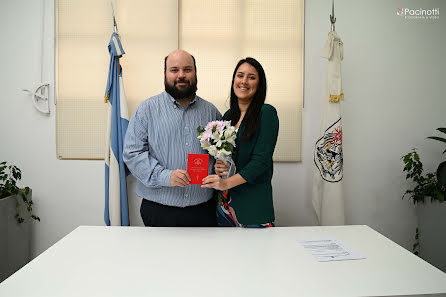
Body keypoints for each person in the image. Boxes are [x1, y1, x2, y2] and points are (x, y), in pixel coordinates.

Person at [123, 49, 222, 227]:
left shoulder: (211, 112)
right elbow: (132, 153)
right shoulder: (146, 110)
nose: (181, 75)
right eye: (174, 70)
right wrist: (164, 176)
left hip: (203, 210)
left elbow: (221, 154)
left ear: (196, 73)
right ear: (165, 74)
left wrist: (221, 167)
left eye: (187, 69)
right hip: (159, 210)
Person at [202, 57, 279, 227]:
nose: (244, 81)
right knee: (227, 254)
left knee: (256, 253)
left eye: (251, 77)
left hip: (253, 206)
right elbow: (227, 157)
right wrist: (219, 166)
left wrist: (225, 183)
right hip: (224, 205)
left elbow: (260, 162)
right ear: (234, 80)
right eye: (240, 75)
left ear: (259, 84)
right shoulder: (228, 116)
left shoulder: (266, 113)